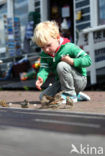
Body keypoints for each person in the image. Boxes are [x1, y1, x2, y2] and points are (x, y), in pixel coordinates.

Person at [33, 20, 92, 106]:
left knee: (62, 65)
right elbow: (44, 68)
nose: (46, 50)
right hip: (62, 83)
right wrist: (41, 77)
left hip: (79, 80)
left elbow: (88, 60)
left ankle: (70, 95)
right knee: (43, 97)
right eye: (42, 47)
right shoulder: (45, 55)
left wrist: (72, 61)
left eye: (49, 45)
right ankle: (76, 94)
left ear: (57, 38)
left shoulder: (69, 47)